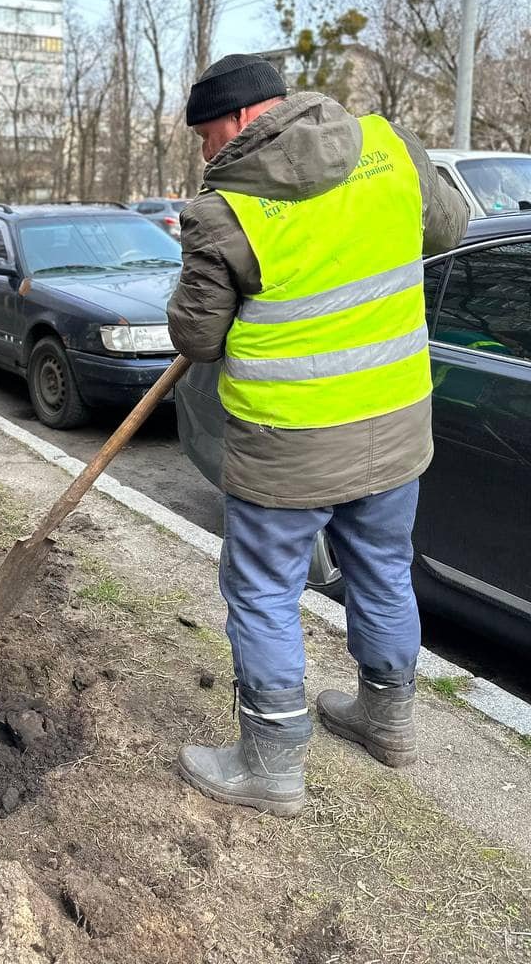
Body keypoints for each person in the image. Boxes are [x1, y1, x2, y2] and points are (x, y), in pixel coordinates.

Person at [167, 53, 469, 817]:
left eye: (207, 136)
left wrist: (200, 273)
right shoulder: (388, 147)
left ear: (239, 121)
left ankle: (271, 765)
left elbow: (198, 339)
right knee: (384, 570)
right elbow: (449, 229)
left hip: (287, 443)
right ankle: (387, 721)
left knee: (264, 590)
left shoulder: (223, 211)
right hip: (395, 422)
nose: (207, 154)